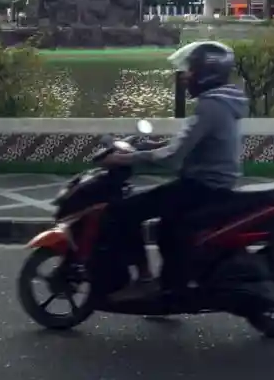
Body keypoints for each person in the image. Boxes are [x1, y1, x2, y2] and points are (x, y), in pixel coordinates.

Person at [95, 41, 248, 302]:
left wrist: (125, 159)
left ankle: (145, 281)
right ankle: (170, 284)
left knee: (123, 211)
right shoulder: (221, 102)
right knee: (166, 225)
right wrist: (146, 146)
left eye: (190, 70)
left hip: (203, 187)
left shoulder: (210, 107)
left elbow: (173, 157)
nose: (185, 76)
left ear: (205, 73)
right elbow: (186, 143)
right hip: (209, 184)